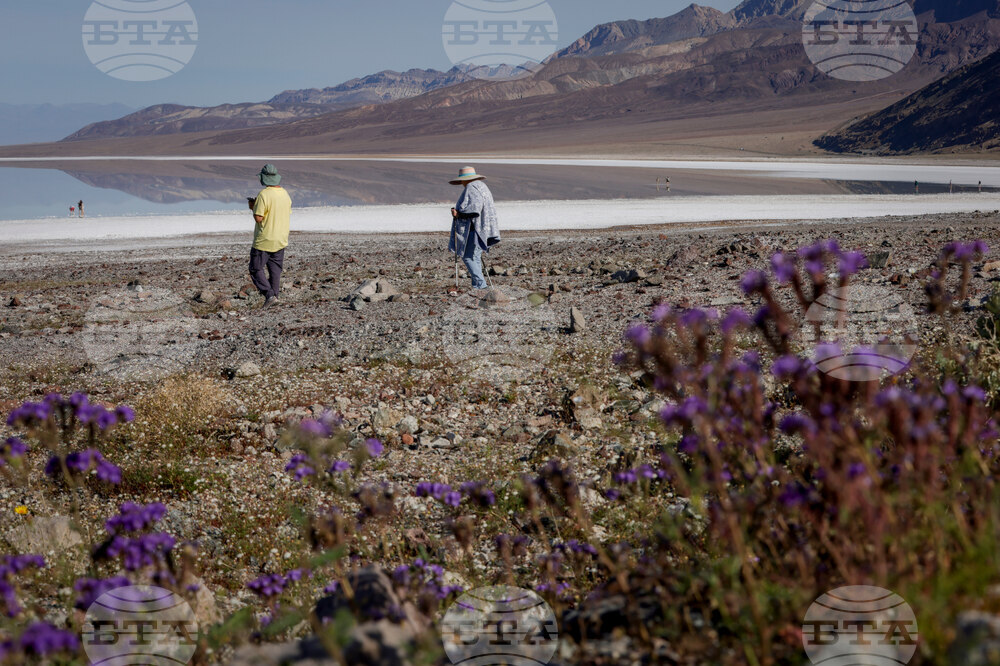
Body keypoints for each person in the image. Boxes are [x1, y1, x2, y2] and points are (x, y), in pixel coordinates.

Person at [247, 164, 292, 308]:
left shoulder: (264, 194)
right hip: (280, 238)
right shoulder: (285, 193)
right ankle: (275, 298)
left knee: (255, 268)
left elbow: (259, 218)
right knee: (275, 270)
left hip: (265, 239)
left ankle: (269, 295)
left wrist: (253, 207)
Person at [449, 166, 500, 291]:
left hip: (474, 229)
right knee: (475, 257)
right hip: (482, 229)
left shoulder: (472, 188)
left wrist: (458, 214)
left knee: (468, 257)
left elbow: (474, 209)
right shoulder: (482, 187)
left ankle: (481, 286)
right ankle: (477, 287)